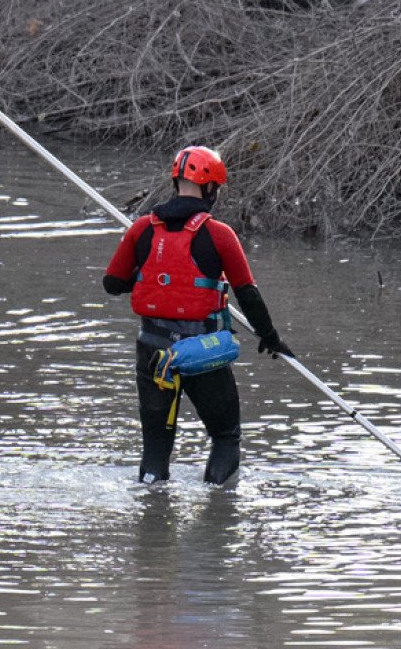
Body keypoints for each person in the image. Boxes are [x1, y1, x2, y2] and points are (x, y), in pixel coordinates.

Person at [101, 146, 293, 485]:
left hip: (152, 351)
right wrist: (270, 337)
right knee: (225, 436)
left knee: (155, 451)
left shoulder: (141, 229)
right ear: (210, 189)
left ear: (176, 182)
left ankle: (151, 515)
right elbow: (247, 293)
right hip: (202, 351)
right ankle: (219, 518)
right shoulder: (220, 235)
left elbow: (113, 283)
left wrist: (153, 278)